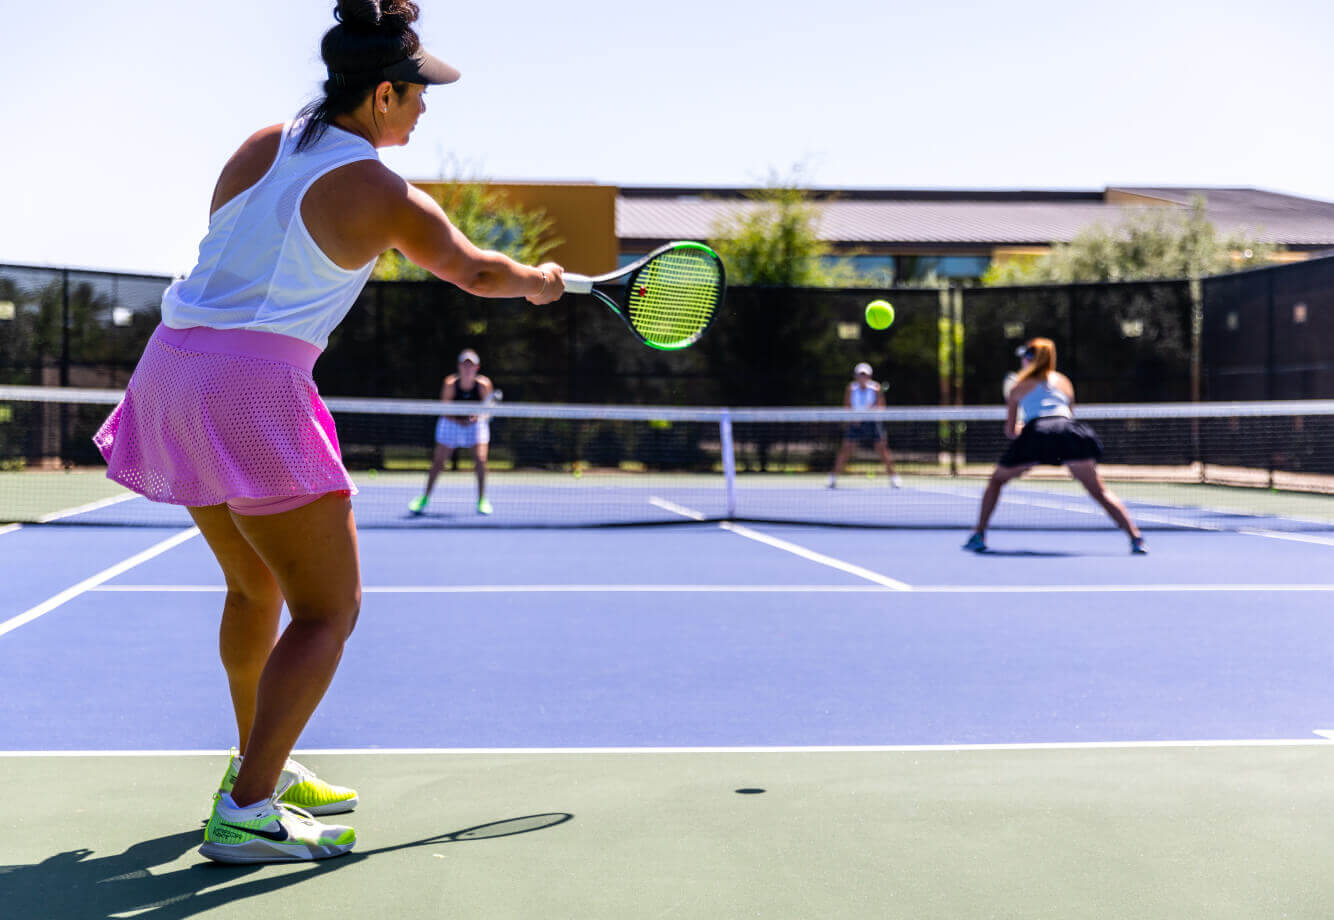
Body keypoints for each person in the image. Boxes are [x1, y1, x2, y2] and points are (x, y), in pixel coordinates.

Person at [91, 0, 564, 864]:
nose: (425, 107)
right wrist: (538, 280)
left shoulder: (260, 143)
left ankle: (257, 763)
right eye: (419, 93)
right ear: (382, 95)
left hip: (167, 370)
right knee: (329, 609)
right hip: (250, 389)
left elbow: (232, 250)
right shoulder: (384, 193)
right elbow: (473, 269)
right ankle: (245, 808)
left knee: (254, 590)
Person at [962, 338, 1147, 555]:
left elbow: (1011, 432)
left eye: (1024, 356)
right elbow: (1066, 416)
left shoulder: (1018, 387)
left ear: (1029, 359)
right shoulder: (1064, 382)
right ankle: (1135, 537)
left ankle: (978, 534)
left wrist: (1028, 432)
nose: (1021, 360)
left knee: (996, 481)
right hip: (1070, 434)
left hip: (1037, 434)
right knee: (1099, 491)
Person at [410, 348, 494, 515]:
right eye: (464, 365)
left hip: (475, 425)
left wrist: (477, 417)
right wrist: (460, 419)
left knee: (481, 460)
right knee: (439, 462)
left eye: (471, 365)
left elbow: (489, 409)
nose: (467, 368)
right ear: (459, 367)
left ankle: (482, 499)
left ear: (477, 368)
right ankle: (424, 497)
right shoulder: (450, 384)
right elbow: (446, 409)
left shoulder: (484, 384)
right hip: (451, 424)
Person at [828, 362, 902, 489]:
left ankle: (894, 477)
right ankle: (832, 478)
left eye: (865, 375)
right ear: (856, 376)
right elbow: (847, 406)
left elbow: (881, 407)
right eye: (860, 375)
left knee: (882, 449)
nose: (863, 378)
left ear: (869, 376)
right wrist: (853, 418)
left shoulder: (876, 388)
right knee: (846, 449)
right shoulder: (851, 388)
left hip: (872, 423)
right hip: (855, 423)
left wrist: (871, 412)